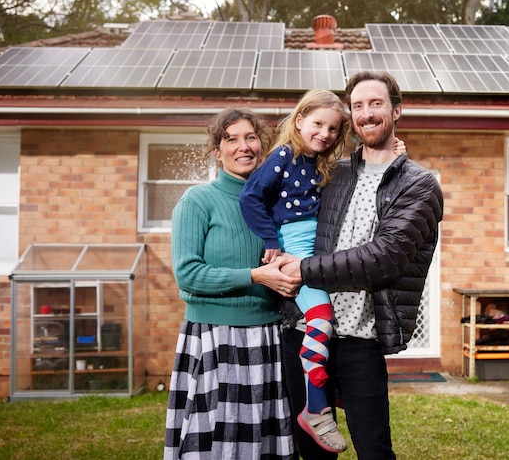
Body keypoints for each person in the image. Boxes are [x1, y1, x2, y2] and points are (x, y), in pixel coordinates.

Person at [281, 71, 444, 459]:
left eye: (376, 104)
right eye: (357, 106)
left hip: (361, 339)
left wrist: (301, 269)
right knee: (312, 450)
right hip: (305, 330)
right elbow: (281, 189)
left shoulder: (419, 184)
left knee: (374, 450)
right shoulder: (330, 173)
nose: (366, 114)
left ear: (397, 110)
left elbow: (384, 258)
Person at [164, 107, 302, 460]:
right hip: (215, 338)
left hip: (267, 335)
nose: (244, 147)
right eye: (232, 139)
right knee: (217, 443)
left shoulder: (275, 203)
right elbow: (188, 274)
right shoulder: (198, 201)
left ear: (263, 146)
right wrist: (255, 275)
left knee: (261, 442)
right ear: (217, 152)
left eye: (251, 137)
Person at [239, 90, 350, 453]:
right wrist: (271, 241)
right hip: (295, 250)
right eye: (318, 123)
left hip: (313, 252)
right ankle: (316, 407)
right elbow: (251, 196)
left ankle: (320, 402)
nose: (325, 133)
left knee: (323, 324)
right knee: (320, 320)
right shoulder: (284, 155)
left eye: (333, 129)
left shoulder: (316, 163)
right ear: (299, 119)